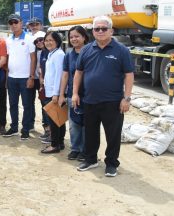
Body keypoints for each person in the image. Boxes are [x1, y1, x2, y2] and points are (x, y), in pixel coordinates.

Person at [73, 16, 134, 177]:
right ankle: (91, 159)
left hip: (113, 102)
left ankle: (112, 163)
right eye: (96, 29)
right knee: (91, 133)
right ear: (92, 31)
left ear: (111, 31)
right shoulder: (86, 49)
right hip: (90, 100)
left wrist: (126, 98)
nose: (100, 31)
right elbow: (78, 72)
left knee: (113, 135)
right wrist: (74, 94)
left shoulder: (121, 50)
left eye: (103, 28)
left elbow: (129, 75)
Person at [58, 26, 89, 161]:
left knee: (87, 125)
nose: (74, 39)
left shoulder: (91, 52)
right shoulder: (69, 55)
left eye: (77, 36)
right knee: (74, 125)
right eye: (71, 37)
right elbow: (65, 75)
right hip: (72, 94)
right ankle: (75, 149)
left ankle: (85, 150)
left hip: (89, 95)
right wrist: (61, 94)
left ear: (84, 37)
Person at [4, 14, 36, 140]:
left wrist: (31, 77)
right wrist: (7, 78)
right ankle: (14, 127)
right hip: (12, 78)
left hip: (25, 78)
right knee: (12, 104)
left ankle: (26, 128)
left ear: (21, 23)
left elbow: (33, 59)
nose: (13, 25)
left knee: (27, 105)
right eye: (11, 23)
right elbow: (8, 60)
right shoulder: (8, 40)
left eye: (15, 22)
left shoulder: (29, 39)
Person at [40, 32, 66, 154]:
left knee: (55, 120)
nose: (48, 42)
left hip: (54, 93)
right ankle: (59, 143)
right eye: (46, 40)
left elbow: (59, 76)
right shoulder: (52, 54)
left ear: (57, 41)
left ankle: (55, 144)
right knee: (58, 119)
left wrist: (56, 94)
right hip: (50, 91)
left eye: (51, 40)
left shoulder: (59, 55)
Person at [28, 17, 45, 135]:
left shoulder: (48, 43)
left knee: (45, 104)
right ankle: (30, 125)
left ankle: (47, 128)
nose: (34, 26)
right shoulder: (29, 40)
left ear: (41, 25)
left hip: (42, 80)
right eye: (32, 25)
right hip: (30, 76)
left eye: (36, 24)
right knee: (29, 102)